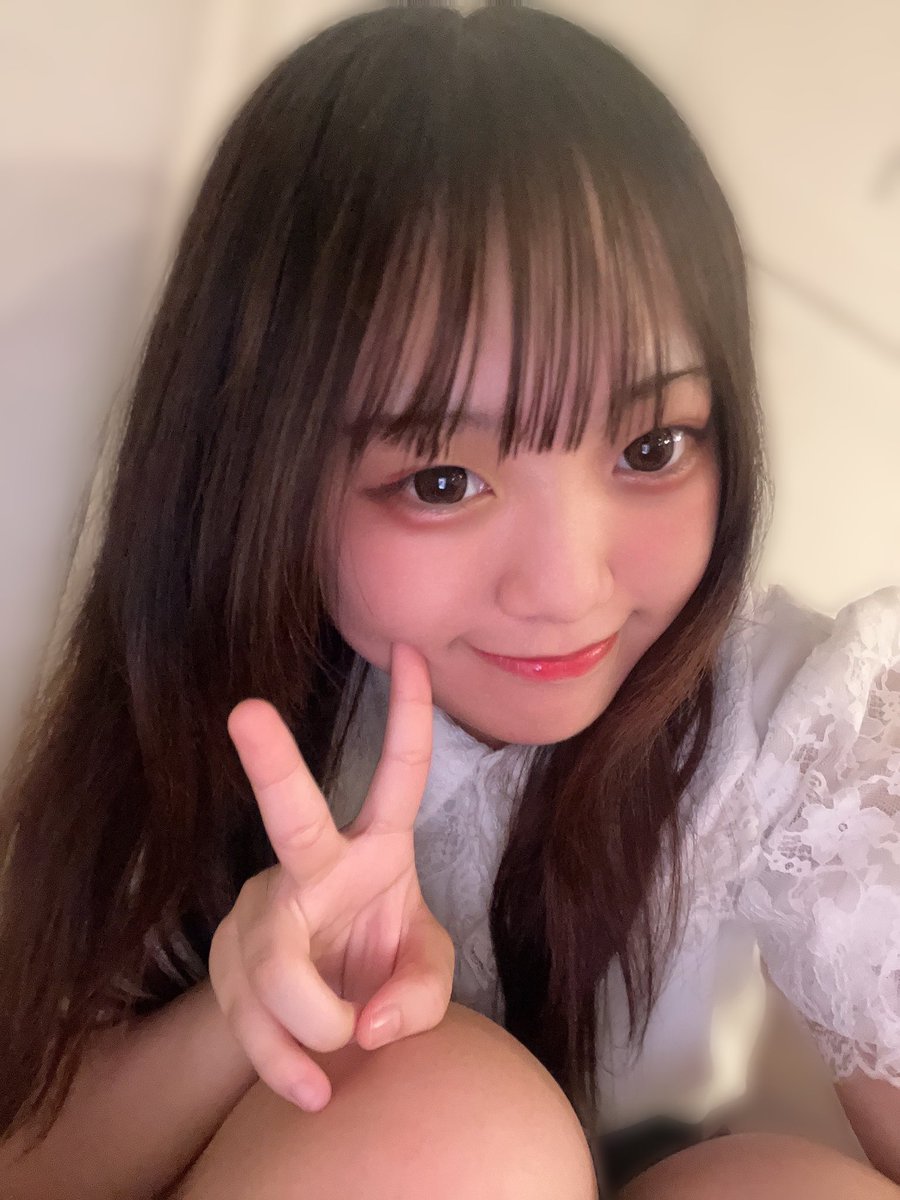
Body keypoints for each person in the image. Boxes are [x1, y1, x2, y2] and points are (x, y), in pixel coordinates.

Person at [0, 3, 897, 1197]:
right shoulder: (208, 706)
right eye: (440, 479)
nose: (569, 586)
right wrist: (248, 1009)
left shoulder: (792, 727)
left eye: (652, 448)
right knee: (452, 1127)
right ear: (262, 473)